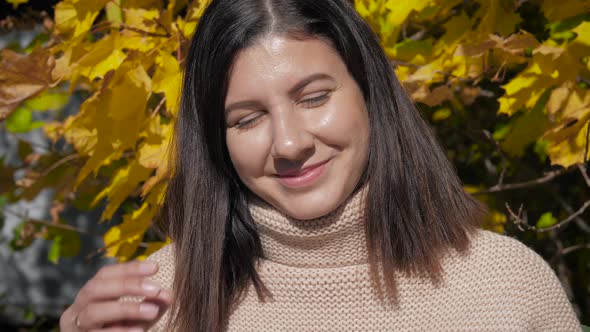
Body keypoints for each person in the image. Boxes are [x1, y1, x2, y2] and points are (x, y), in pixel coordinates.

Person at [60, 0, 583, 331]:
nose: (289, 143)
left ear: (370, 92)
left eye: (314, 98)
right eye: (247, 119)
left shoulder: (503, 286)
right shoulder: (155, 302)